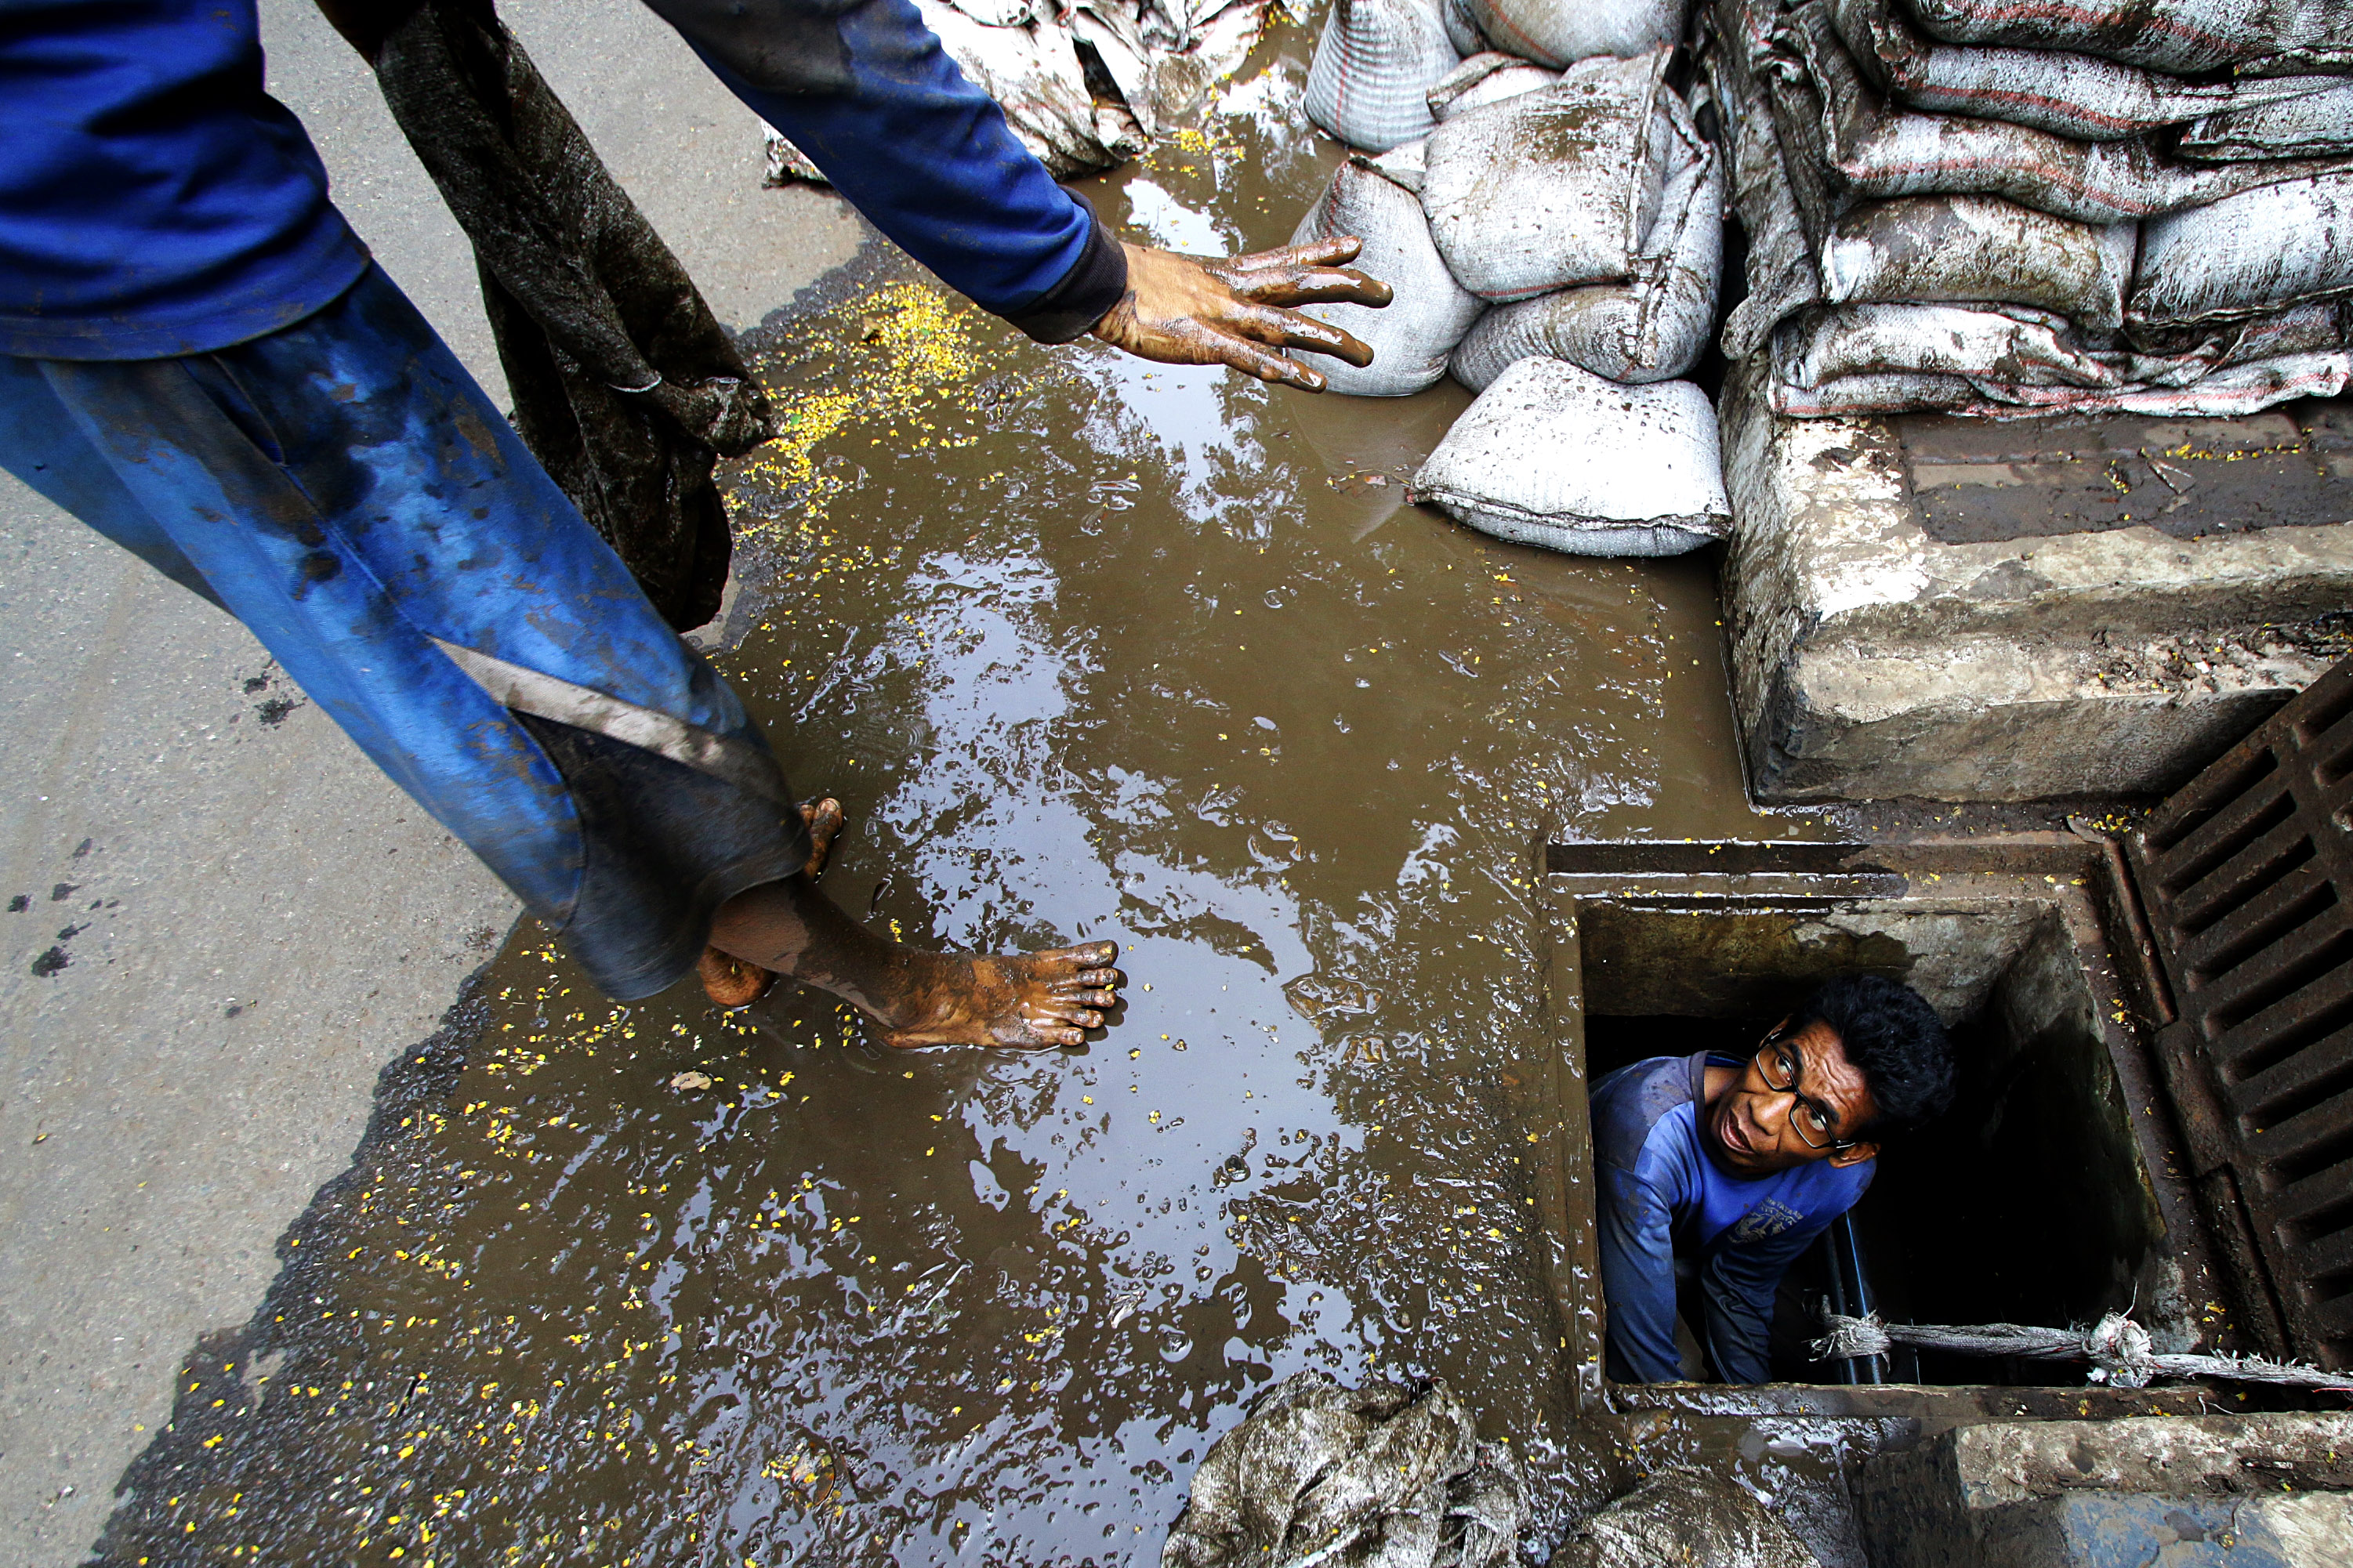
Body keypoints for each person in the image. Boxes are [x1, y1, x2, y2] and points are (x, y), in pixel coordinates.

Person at [0, 0, 1393, 1045]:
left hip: (111, 158)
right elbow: (798, 18)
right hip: (105, 240)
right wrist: (1068, 266)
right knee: (527, 673)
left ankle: (737, 894)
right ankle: (873, 981)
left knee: (524, 631)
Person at [1591, 974, 1955, 1385]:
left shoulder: (1841, 1179)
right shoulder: (1644, 1132)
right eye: (1785, 1065)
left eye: (1817, 1117)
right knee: (1681, 1371)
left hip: (1684, 1247)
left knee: (1847, 1359)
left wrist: (1755, 1403)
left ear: (1851, 1151)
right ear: (1777, 1031)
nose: (1762, 1114)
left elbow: (1742, 1281)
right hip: (1619, 1226)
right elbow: (1644, 1367)